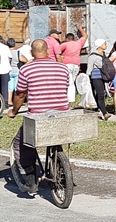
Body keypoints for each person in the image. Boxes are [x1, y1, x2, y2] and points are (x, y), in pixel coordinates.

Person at [6, 39, 70, 192]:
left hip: (39, 116)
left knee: (21, 144)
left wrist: (13, 111)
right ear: (48, 51)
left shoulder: (27, 70)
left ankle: (29, 181)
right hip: (62, 114)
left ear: (31, 53)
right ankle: (59, 167)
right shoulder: (63, 68)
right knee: (55, 138)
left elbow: (20, 94)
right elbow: (65, 88)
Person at [60, 26, 87, 103]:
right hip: (76, 65)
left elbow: (57, 52)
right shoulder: (78, 44)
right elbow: (85, 36)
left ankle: (70, 99)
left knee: (69, 83)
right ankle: (71, 98)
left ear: (66, 39)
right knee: (72, 81)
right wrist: (80, 29)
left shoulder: (64, 45)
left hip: (67, 64)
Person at [86, 39, 112, 121]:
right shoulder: (93, 56)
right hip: (95, 77)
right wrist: (87, 78)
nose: (106, 45)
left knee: (101, 95)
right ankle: (105, 113)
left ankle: (98, 109)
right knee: (100, 94)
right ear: (100, 45)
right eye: (105, 44)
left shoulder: (104, 55)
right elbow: (89, 68)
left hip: (103, 77)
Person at [0, 35, 13, 105]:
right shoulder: (5, 47)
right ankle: (5, 102)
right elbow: (10, 57)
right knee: (4, 86)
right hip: (5, 69)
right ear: (1, 40)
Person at [7, 38, 20, 105]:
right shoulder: (17, 52)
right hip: (16, 71)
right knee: (16, 87)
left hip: (9, 71)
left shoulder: (6, 52)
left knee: (10, 87)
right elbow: (24, 59)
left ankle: (9, 101)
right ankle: (15, 101)